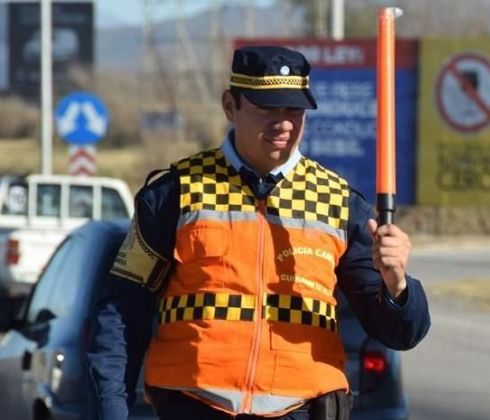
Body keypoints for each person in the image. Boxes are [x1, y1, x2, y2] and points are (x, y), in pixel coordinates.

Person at [86, 45, 430, 420]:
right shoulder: (175, 193)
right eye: (268, 107)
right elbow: (122, 310)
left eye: (294, 110)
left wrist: (397, 286)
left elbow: (401, 334)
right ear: (230, 106)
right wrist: (112, 409)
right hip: (195, 407)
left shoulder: (343, 205)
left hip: (303, 410)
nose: (283, 122)